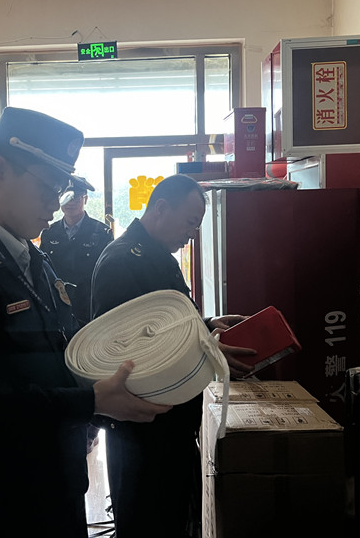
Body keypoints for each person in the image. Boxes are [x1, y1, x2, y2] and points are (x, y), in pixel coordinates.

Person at [0, 106, 171, 538]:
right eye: (47, 188)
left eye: (61, 191)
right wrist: (90, 402)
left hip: (54, 490)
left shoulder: (29, 257)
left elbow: (56, 351)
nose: (54, 205)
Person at [90, 173, 256, 538]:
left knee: (172, 519)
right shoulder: (122, 261)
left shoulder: (156, 256)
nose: (192, 234)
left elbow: (167, 324)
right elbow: (126, 350)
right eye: (189, 222)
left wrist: (207, 325)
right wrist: (205, 348)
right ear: (161, 208)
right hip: (142, 431)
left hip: (170, 425)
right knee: (147, 524)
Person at [39, 184, 113, 327]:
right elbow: (43, 269)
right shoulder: (49, 232)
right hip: (57, 304)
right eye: (66, 198)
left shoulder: (102, 233)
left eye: (76, 198)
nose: (70, 203)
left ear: (85, 199)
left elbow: (108, 275)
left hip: (89, 306)